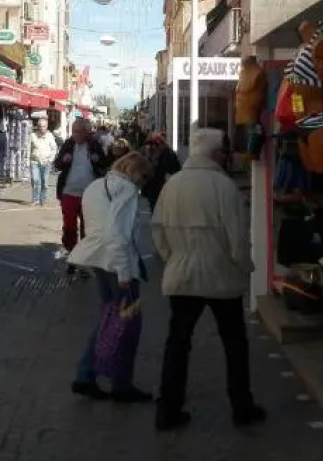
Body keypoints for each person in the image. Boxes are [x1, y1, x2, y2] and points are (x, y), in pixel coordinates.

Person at [151, 127, 263, 432]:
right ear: (216, 154)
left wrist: (173, 257)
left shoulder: (173, 185)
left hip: (181, 274)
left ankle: (168, 408)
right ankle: (241, 406)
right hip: (221, 276)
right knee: (234, 343)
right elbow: (238, 240)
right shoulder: (224, 187)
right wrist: (246, 267)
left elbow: (158, 230)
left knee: (178, 343)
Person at [67, 152, 156, 403]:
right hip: (118, 263)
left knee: (109, 318)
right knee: (128, 324)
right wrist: (124, 273)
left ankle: (87, 375)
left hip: (98, 260)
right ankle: (118, 383)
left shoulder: (95, 186)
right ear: (136, 172)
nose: (143, 184)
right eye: (144, 177)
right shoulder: (127, 189)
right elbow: (118, 234)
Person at [52, 118, 108, 262]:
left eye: (79, 132)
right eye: (74, 131)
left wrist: (97, 160)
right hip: (69, 192)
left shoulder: (94, 145)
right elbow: (57, 164)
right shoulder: (68, 144)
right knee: (69, 226)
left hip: (89, 194)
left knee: (87, 227)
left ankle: (84, 255)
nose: (75, 135)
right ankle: (70, 251)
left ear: (86, 132)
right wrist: (63, 160)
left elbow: (105, 163)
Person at [141, 131, 181, 210]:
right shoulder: (166, 151)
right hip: (161, 184)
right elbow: (175, 168)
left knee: (154, 206)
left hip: (149, 185)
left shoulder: (144, 150)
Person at [27, 117, 58, 205]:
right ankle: (35, 199)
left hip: (46, 162)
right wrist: (27, 160)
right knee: (36, 180)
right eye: (40, 126)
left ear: (47, 127)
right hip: (35, 161)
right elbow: (28, 148)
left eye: (44, 126)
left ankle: (43, 198)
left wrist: (50, 160)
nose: (42, 128)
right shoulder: (33, 136)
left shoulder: (50, 136)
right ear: (38, 126)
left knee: (44, 182)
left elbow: (54, 149)